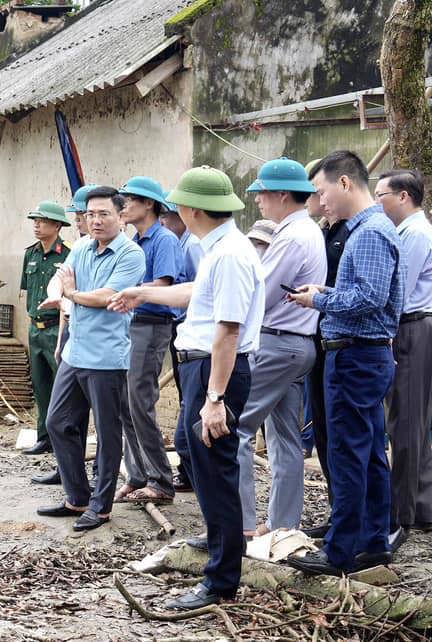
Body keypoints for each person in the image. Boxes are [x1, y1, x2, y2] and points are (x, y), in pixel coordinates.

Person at [110, 166, 264, 609]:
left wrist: (215, 398)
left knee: (216, 474)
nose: (176, 208)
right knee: (206, 469)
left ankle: (221, 582)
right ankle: (220, 557)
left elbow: (229, 331)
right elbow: (198, 293)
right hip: (204, 369)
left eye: (179, 202)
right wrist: (145, 293)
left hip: (216, 372)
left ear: (193, 209)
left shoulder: (231, 253)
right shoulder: (217, 248)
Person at [287, 150, 403, 576]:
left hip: (355, 354)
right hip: (361, 353)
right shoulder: (367, 229)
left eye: (322, 191)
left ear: (346, 184)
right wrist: (325, 290)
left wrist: (319, 297)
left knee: (348, 455)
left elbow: (369, 298)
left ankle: (340, 551)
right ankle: (373, 542)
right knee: (369, 451)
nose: (321, 201)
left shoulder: (369, 232)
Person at [35, 186, 145, 531]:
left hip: (107, 357)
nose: (95, 221)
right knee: (57, 422)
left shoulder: (130, 254)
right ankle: (77, 496)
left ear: (121, 215)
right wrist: (59, 295)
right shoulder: (81, 247)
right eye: (89, 214)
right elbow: (59, 278)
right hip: (75, 351)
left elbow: (107, 297)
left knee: (108, 434)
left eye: (103, 214)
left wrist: (71, 294)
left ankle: (101, 506)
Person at [235, 158, 326, 537]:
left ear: (283, 195)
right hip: (295, 345)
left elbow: (263, 293)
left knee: (235, 429)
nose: (258, 201)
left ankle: (237, 525)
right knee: (285, 439)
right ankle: (283, 526)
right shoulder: (305, 231)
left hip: (277, 343)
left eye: (264, 194)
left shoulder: (291, 236)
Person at [374, 169, 432, 551]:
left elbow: (399, 290)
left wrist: (384, 336)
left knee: (406, 422)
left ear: (404, 196)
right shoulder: (412, 231)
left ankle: (402, 514)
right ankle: (422, 506)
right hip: (414, 326)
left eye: (382, 195)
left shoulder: (414, 234)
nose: (377, 201)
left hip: (411, 327)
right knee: (416, 421)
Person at [115, 177, 181, 505]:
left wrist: (132, 293)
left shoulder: (164, 240)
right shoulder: (135, 241)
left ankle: (161, 481)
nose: (124, 206)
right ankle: (137, 474)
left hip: (153, 324)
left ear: (149, 205)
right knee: (127, 403)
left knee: (140, 401)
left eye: (130, 200)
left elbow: (164, 285)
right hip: (133, 322)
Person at [32, 184, 98, 486]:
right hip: (65, 332)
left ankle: (97, 470)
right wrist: (61, 340)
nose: (82, 221)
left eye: (82, 215)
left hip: (96, 341)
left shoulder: (108, 252)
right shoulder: (81, 250)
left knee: (95, 411)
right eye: (82, 215)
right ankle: (66, 468)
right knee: (59, 406)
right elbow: (61, 294)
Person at [302, 158, 351, 538]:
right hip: (316, 339)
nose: (314, 196)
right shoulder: (321, 231)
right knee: (322, 429)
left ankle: (355, 518)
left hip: (342, 340)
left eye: (318, 189)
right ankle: (339, 510)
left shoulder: (354, 234)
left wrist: (318, 298)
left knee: (343, 435)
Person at [20, 201, 72, 456]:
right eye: (35, 221)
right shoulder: (30, 254)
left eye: (42, 221)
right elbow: (27, 293)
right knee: (41, 386)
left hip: (56, 327)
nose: (37, 225)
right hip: (35, 329)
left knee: (62, 387)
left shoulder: (68, 256)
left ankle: (64, 438)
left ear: (57, 225)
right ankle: (44, 437)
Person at [159, 199, 203, 493]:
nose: (163, 222)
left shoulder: (193, 246)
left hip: (196, 335)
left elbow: (199, 292)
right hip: (183, 331)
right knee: (187, 400)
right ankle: (188, 472)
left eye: (167, 216)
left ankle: (192, 473)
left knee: (192, 404)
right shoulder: (181, 243)